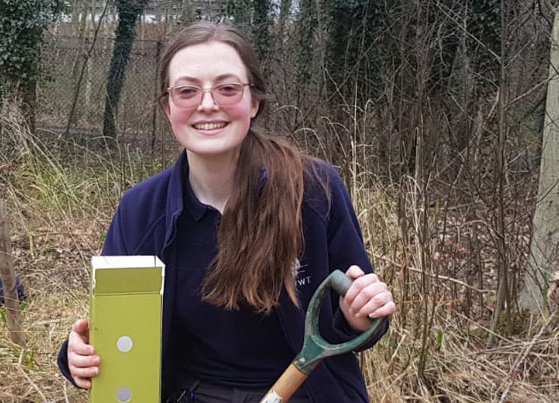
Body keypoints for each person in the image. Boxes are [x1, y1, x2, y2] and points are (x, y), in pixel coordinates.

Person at [57, 21, 396, 403]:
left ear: (254, 102)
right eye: (187, 91)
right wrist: (78, 356)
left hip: (308, 393)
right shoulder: (140, 209)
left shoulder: (315, 190)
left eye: (228, 88)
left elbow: (355, 324)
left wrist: (358, 314)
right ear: (167, 107)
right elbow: (115, 333)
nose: (207, 104)